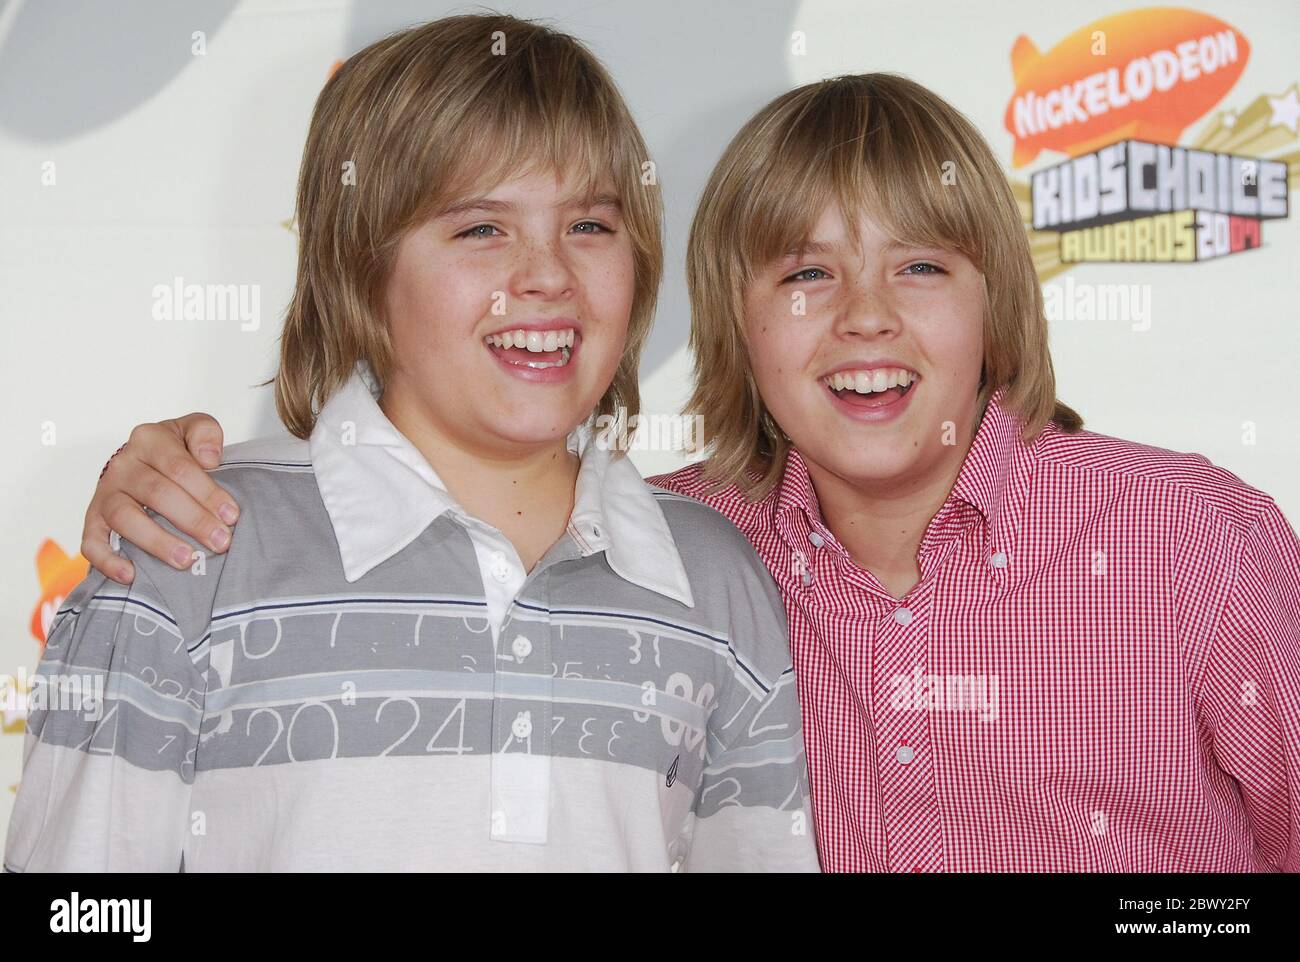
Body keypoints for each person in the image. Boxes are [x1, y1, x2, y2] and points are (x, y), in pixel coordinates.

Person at [72, 73, 1300, 872]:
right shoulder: (675, 552)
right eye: (805, 275)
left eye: (921, 268)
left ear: (998, 308)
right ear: (734, 323)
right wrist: (181, 473)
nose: (865, 319)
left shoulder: (1193, 543)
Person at [6, 14, 818, 873]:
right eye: (480, 229)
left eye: (590, 226)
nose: (547, 275)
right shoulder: (187, 543)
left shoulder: (715, 578)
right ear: (362, 268)